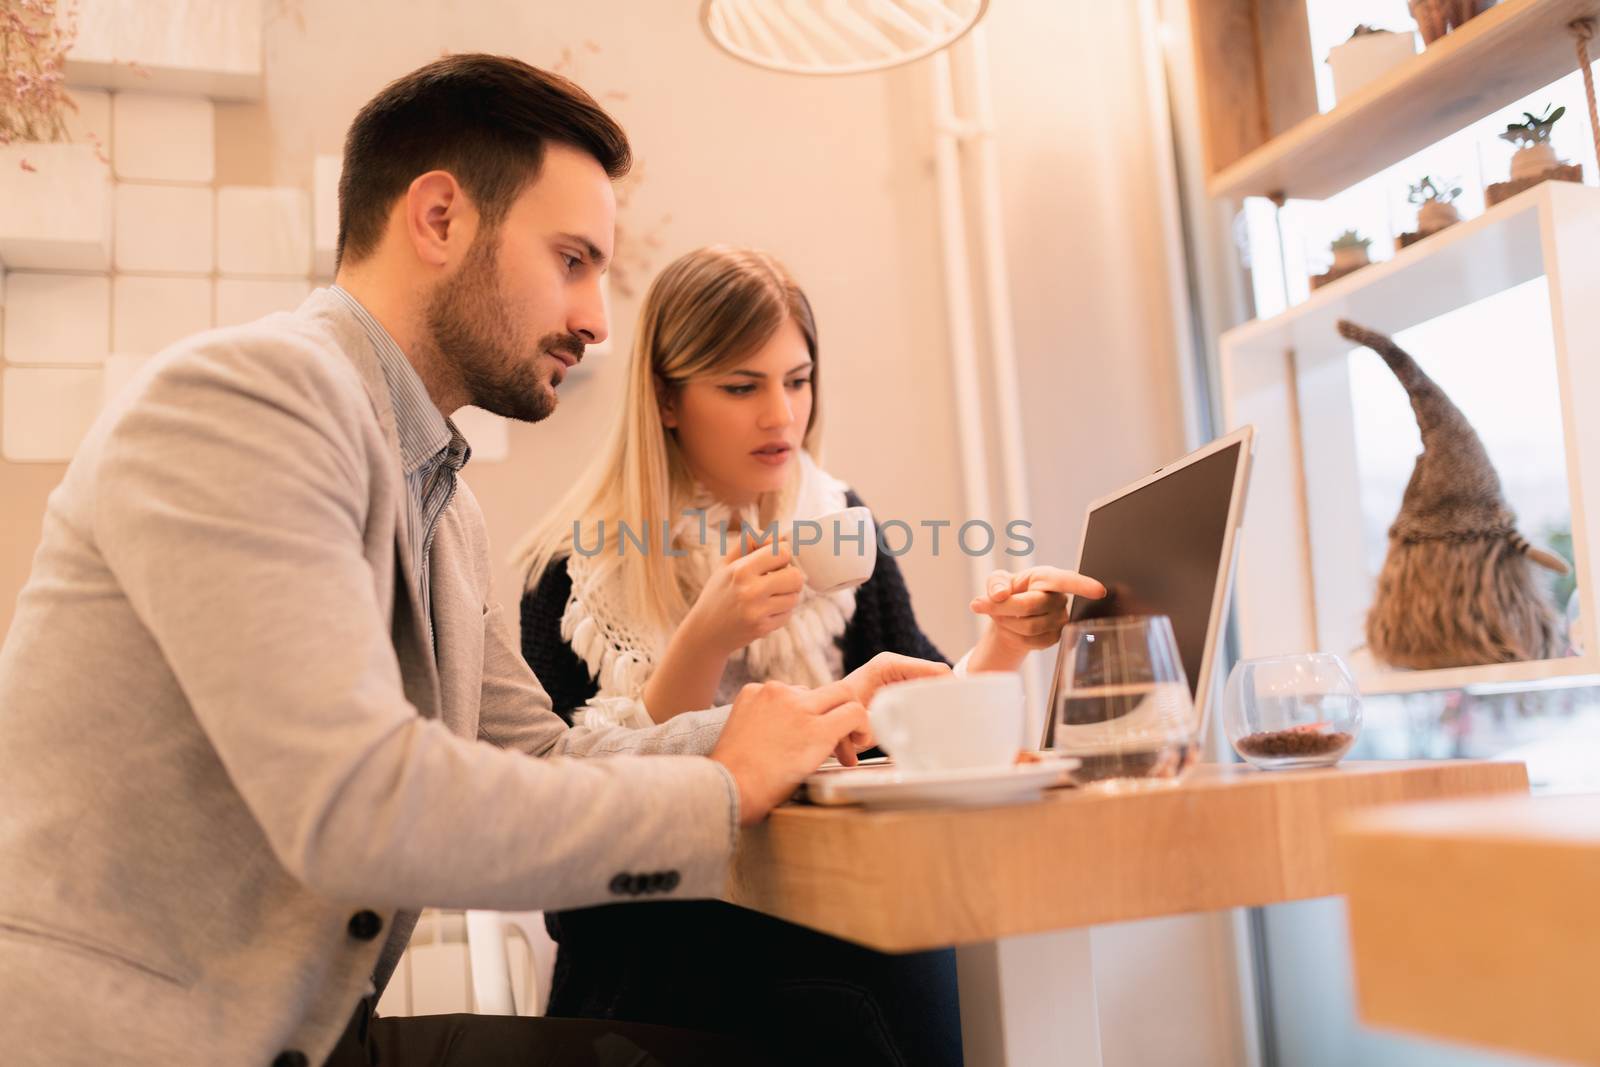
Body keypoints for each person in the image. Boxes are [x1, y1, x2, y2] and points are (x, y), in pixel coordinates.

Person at [0, 56, 942, 1067]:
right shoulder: (247, 400)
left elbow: (534, 757)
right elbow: (360, 805)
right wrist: (721, 787)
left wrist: (781, 728)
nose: (596, 319)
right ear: (440, 218)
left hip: (310, 1037)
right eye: (573, 260)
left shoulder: (443, 504)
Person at [514, 246, 1106, 1064]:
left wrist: (1004, 641)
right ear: (666, 398)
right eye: (741, 385)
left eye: (797, 380)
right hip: (647, 961)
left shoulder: (838, 524)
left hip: (827, 918)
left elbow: (916, 724)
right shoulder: (573, 573)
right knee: (894, 973)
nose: (781, 416)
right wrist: (704, 640)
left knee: (922, 950)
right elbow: (571, 846)